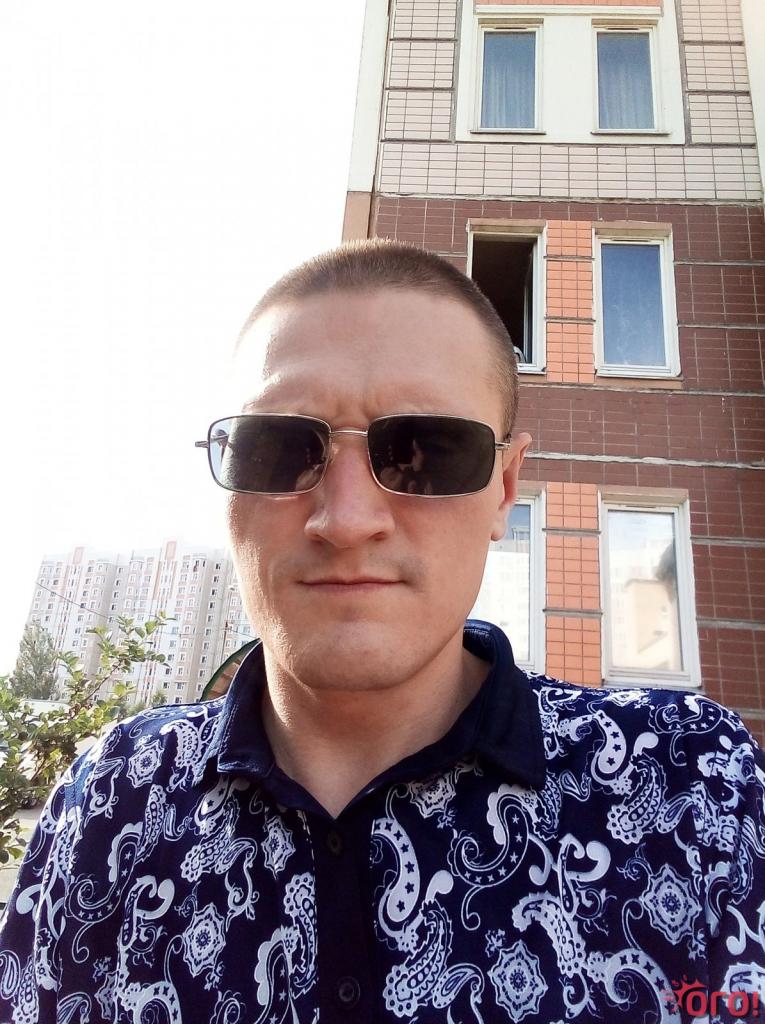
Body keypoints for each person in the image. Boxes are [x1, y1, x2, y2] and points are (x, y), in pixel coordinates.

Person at [1, 239, 764, 1023]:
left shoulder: (696, 784)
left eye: (424, 452)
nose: (345, 519)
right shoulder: (110, 798)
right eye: (279, 449)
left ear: (504, 489)